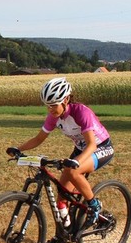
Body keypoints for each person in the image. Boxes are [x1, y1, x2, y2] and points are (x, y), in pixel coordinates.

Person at [7, 76, 114, 232]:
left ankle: (94, 205)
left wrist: (76, 162)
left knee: (73, 170)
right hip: (81, 150)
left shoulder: (81, 112)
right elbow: (38, 139)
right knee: (62, 197)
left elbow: (91, 145)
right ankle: (64, 235)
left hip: (100, 147)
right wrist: (18, 149)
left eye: (53, 105)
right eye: (47, 106)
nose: (50, 110)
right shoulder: (54, 117)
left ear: (65, 100)